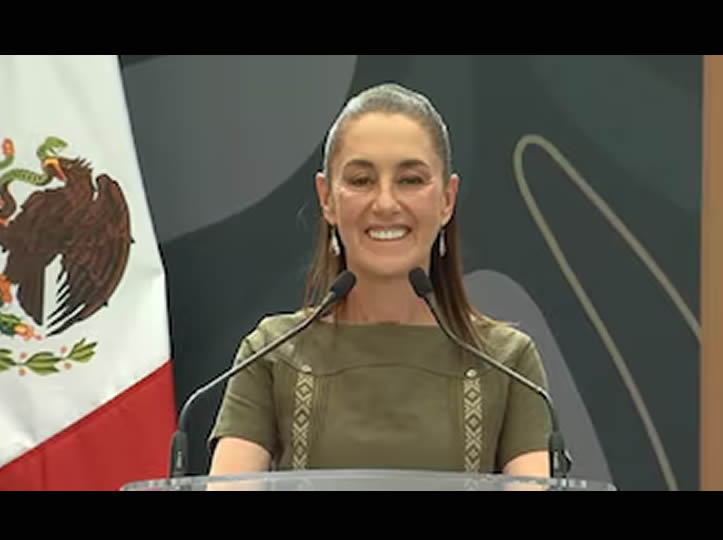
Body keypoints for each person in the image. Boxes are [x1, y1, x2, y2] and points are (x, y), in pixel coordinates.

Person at [208, 82, 552, 479]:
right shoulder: (271, 353)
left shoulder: (508, 362)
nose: (386, 203)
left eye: (410, 180)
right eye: (361, 180)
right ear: (327, 198)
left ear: (447, 199)